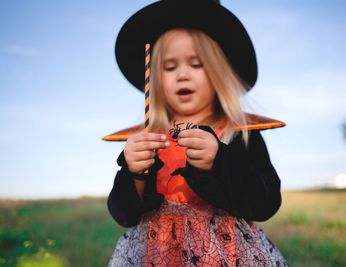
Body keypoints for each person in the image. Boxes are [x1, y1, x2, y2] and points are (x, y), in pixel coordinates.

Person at [107, 0, 289, 266]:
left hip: (227, 256)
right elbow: (123, 215)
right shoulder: (150, 139)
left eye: (196, 64)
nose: (182, 74)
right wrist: (134, 173)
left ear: (218, 72)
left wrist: (218, 163)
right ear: (154, 78)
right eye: (170, 67)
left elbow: (266, 202)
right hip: (157, 257)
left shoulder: (238, 132)